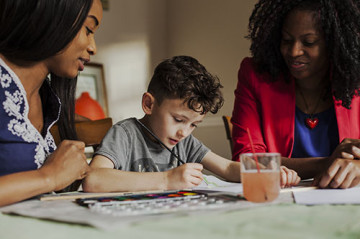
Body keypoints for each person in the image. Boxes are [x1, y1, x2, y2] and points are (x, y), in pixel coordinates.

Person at [82, 55, 300, 193]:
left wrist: (266, 172)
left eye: (194, 125)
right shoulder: (125, 134)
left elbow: (226, 167)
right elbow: (93, 179)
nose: (184, 132)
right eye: (178, 120)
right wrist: (167, 180)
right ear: (149, 104)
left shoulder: (184, 143)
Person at [232, 0, 360, 189]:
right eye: (287, 40)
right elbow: (248, 160)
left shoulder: (355, 79)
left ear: (335, 43)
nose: (294, 51)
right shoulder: (255, 76)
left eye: (309, 42)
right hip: (277, 200)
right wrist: (329, 162)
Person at [0, 0, 103, 206]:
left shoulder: (48, 98)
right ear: (52, 15)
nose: (93, 48)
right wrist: (49, 177)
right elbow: (52, 177)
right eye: (88, 30)